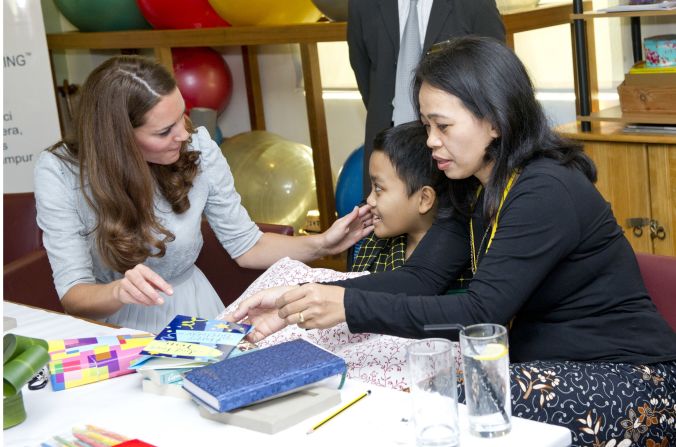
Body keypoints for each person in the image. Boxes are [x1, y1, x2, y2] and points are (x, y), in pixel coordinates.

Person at [228, 37, 676, 445]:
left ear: (495, 120)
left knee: (453, 402)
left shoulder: (544, 190)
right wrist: (305, 296)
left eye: (442, 126)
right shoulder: (473, 185)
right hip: (539, 367)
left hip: (631, 378)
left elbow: (481, 313)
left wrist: (345, 307)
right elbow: (419, 279)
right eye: (426, 126)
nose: (431, 143)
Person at [33, 55, 373, 335]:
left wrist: (322, 244)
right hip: (110, 326)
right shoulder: (60, 172)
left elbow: (247, 246)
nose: (184, 134)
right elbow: (73, 295)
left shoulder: (198, 149)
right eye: (164, 131)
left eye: (183, 114)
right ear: (118, 139)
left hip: (192, 313)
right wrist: (119, 291)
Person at [348, 0, 505, 194]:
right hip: (388, 148)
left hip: (455, 160)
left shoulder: (474, 4)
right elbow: (365, 77)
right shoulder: (361, 4)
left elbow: (496, 80)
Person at [351, 121, 445, 273]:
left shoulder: (458, 263)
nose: (369, 200)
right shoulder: (374, 244)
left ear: (424, 199)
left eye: (379, 188)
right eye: (372, 187)